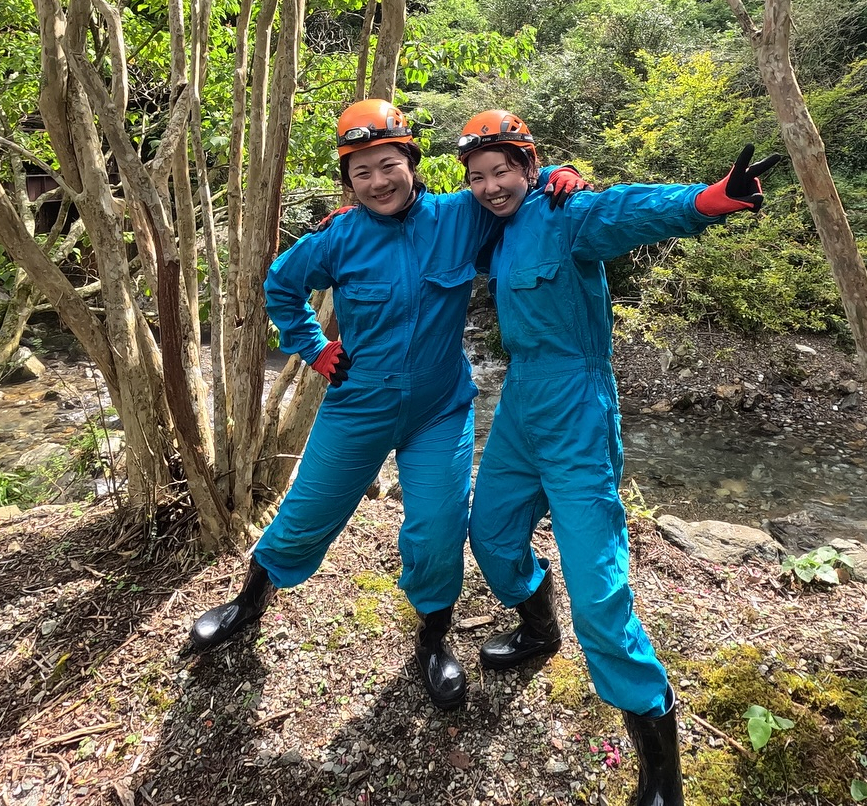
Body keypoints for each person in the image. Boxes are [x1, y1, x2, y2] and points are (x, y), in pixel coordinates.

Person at [184, 99, 586, 711]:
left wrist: (564, 177)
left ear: (412, 162)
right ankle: (249, 600)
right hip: (358, 405)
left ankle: (432, 639)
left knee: (437, 530)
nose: (377, 182)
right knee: (307, 511)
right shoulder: (339, 235)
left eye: (388, 164)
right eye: (361, 172)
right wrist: (313, 347)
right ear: (347, 182)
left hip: (439, 410)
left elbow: (512, 190)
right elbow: (281, 286)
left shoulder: (459, 217)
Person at [457, 109, 778, 806]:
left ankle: (657, 751)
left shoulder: (569, 212)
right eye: (477, 176)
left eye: (501, 171)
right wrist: (351, 218)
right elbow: (420, 215)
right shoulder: (492, 227)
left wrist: (712, 198)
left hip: (578, 406)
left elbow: (632, 210)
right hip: (518, 406)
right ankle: (539, 629)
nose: (489, 185)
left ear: (528, 166)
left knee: (599, 592)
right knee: (489, 533)